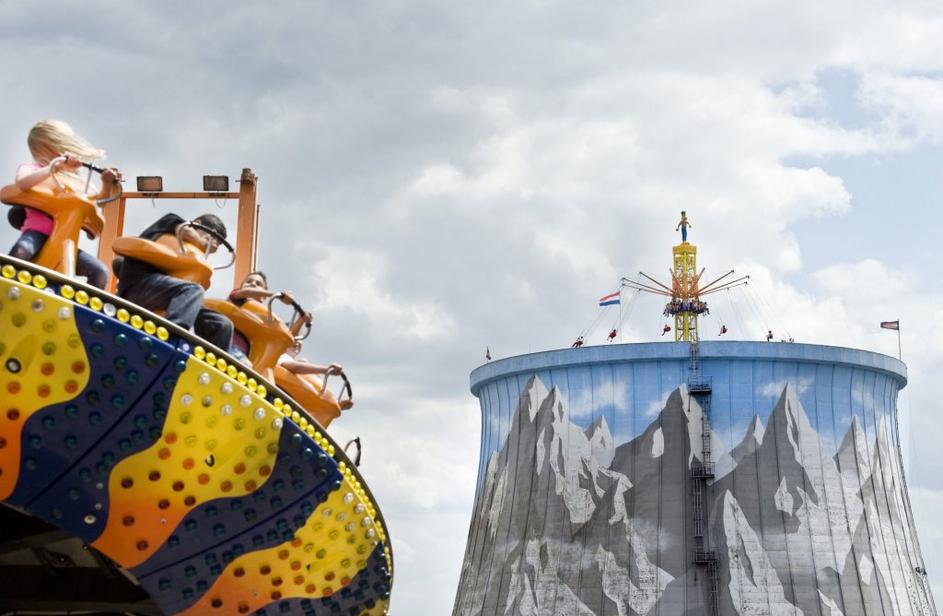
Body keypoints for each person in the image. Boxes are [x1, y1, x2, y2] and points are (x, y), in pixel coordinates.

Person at [8, 120, 117, 289]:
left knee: (99, 272)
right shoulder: (34, 169)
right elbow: (22, 182)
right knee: (22, 251)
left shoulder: (72, 181)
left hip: (66, 241)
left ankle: (82, 308)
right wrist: (54, 168)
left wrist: (106, 184)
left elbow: (94, 201)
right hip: (38, 233)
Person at [115, 212, 233, 350]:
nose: (214, 245)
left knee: (222, 323)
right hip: (140, 285)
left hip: (170, 293)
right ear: (197, 224)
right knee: (193, 290)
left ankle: (213, 362)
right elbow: (184, 229)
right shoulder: (171, 222)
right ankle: (171, 337)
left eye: (218, 243)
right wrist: (201, 242)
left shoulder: (194, 257)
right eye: (213, 237)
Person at [226, 270, 309, 361]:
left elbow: (285, 339)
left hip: (247, 354)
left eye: (258, 284)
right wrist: (277, 295)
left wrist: (300, 321)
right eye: (248, 281)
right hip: (227, 345)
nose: (253, 284)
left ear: (263, 298)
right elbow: (246, 292)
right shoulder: (237, 298)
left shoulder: (264, 316)